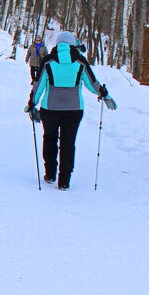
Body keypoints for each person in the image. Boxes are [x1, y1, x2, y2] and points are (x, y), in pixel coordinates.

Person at [24, 31, 116, 190]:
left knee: (49, 139)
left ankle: (50, 174)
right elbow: (91, 83)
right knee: (68, 143)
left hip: (50, 108)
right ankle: (64, 181)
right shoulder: (80, 61)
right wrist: (104, 94)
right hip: (74, 109)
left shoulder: (48, 61)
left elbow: (38, 86)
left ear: (58, 44)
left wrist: (32, 104)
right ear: (72, 44)